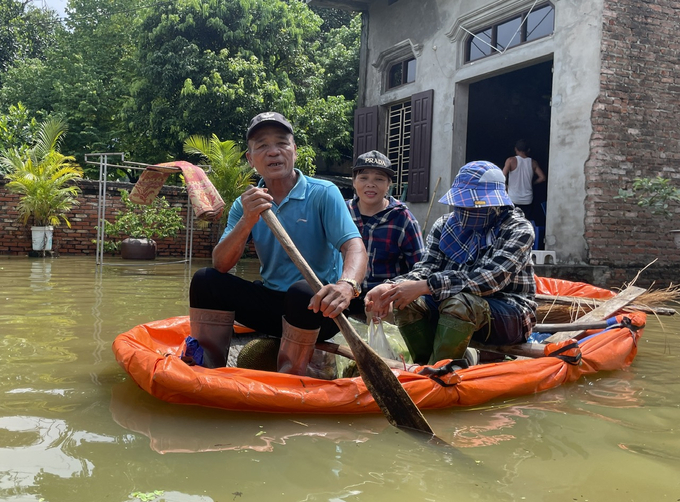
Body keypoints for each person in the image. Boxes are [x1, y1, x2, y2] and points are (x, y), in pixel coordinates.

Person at [188, 111, 367, 374]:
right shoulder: (244, 204)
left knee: (302, 291)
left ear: (294, 150)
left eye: (282, 143)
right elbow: (221, 264)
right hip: (273, 307)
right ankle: (207, 368)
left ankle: (291, 377)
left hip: (319, 309)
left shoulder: (323, 193)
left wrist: (346, 286)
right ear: (251, 159)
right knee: (205, 279)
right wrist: (247, 221)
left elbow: (354, 246)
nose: (273, 152)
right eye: (262, 146)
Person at [365, 161, 537, 366]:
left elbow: (488, 280)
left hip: (507, 311)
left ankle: (440, 371)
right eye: (460, 204)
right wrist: (392, 288)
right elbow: (426, 268)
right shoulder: (446, 225)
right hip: (451, 304)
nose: (463, 210)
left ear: (494, 204)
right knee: (406, 301)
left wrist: (427, 286)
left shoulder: (518, 230)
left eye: (472, 205)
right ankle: (428, 365)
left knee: (460, 304)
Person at [345, 151, 424, 320]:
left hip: (384, 297)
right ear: (354, 182)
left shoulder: (402, 218)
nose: (370, 184)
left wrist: (393, 288)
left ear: (389, 184)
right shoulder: (342, 212)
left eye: (379, 179)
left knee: (381, 320)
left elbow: (421, 267)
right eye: (364, 178)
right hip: (345, 291)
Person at [502, 139, 546, 221]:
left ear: (515, 149)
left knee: (511, 222)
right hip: (527, 199)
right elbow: (542, 178)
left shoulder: (511, 160)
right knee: (524, 222)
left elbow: (501, 177)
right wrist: (532, 183)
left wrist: (506, 186)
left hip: (513, 198)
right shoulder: (533, 162)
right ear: (528, 150)